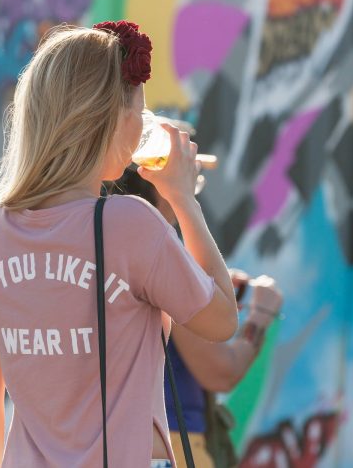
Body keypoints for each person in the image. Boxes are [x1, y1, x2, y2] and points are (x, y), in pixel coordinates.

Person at [0, 21, 238, 468]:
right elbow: (222, 320)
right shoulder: (129, 224)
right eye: (140, 112)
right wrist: (183, 197)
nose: (143, 125)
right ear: (114, 119)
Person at [112, 167, 283, 467]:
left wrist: (205, 292)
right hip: (172, 445)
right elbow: (220, 372)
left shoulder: (105, 247)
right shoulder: (157, 256)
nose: (194, 184)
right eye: (191, 173)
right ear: (158, 180)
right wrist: (260, 317)